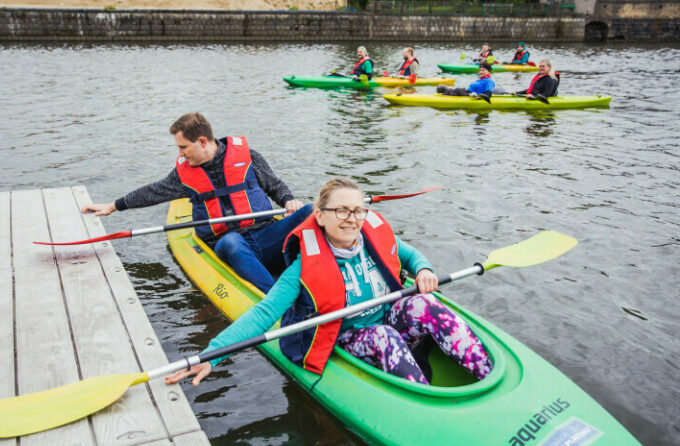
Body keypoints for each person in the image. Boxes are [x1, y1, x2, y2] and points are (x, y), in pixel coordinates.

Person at [165, 178, 493, 387]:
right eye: (341, 211)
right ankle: (425, 402)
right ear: (320, 216)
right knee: (384, 336)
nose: (352, 218)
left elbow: (410, 255)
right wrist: (212, 355)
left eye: (358, 210)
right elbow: (264, 315)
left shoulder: (373, 234)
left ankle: (486, 374)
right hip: (346, 334)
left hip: (388, 316)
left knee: (426, 303)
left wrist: (423, 270)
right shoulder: (303, 267)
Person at [81, 112, 311, 293]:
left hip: (266, 234)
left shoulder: (248, 156)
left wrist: (289, 201)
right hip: (227, 244)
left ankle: (321, 272)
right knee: (232, 242)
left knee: (313, 211)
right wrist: (114, 205)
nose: (181, 154)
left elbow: (275, 186)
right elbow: (153, 191)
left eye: (183, 147)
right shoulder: (184, 174)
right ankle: (275, 301)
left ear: (202, 141)